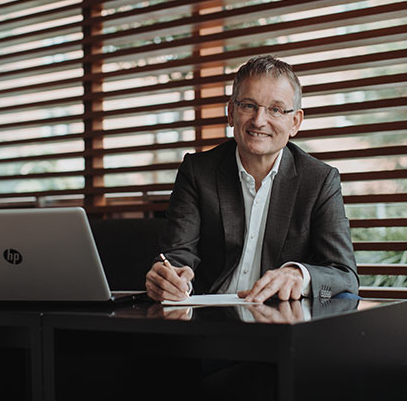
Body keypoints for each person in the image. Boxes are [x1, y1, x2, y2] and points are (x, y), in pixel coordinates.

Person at [146, 55, 359, 303]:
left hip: (279, 318)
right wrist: (170, 280)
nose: (258, 120)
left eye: (275, 109)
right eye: (248, 105)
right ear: (230, 113)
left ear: (295, 122)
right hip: (208, 316)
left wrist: (300, 275)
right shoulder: (197, 171)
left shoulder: (319, 180)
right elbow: (177, 256)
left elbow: (345, 276)